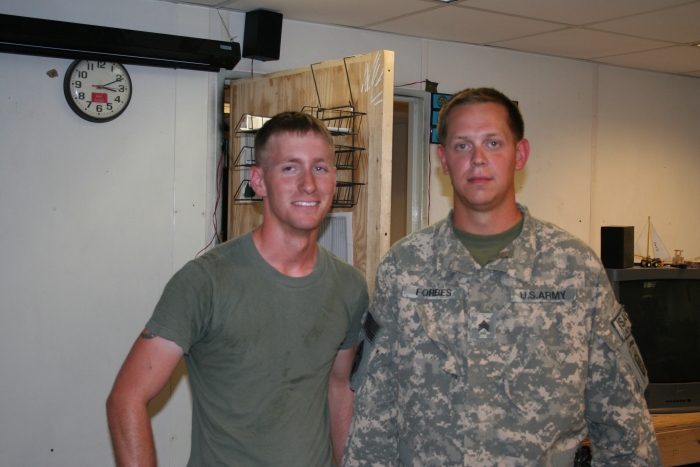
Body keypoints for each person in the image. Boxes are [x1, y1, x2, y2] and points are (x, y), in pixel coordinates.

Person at [344, 88, 661, 466]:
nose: (478, 160)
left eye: (493, 143)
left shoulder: (575, 269)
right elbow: (373, 417)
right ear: (443, 160)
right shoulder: (404, 267)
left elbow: (624, 423)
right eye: (462, 146)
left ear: (520, 154)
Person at [107, 111, 369, 467]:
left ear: (333, 180)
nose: (308, 184)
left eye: (320, 168)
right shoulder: (205, 282)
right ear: (258, 181)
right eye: (290, 168)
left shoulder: (348, 286)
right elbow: (126, 398)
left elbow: (339, 389)